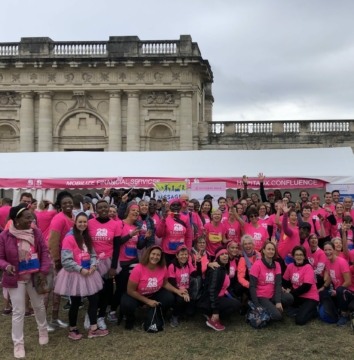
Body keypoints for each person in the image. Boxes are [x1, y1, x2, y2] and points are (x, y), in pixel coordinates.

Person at [0, 203, 51, 359]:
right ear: (16, 220)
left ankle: (42, 331)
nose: (32, 219)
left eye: (32, 217)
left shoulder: (36, 232)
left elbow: (45, 252)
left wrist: (43, 271)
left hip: (35, 277)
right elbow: (0, 258)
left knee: (39, 306)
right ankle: (18, 343)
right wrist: (6, 266)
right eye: (28, 217)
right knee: (18, 312)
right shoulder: (5, 236)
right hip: (16, 278)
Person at [54, 213, 108, 339]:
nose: (83, 224)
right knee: (76, 302)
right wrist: (80, 269)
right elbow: (66, 261)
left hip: (88, 273)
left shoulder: (86, 237)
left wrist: (94, 265)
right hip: (75, 275)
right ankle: (73, 329)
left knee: (94, 299)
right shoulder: (69, 238)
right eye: (80, 222)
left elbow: (93, 254)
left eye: (85, 222)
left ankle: (93, 328)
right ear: (75, 222)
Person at [120, 245, 186, 330]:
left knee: (169, 298)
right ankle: (130, 319)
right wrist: (148, 301)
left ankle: (157, 315)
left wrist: (177, 291)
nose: (155, 257)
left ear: (161, 257)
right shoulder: (138, 268)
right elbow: (130, 290)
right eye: (153, 254)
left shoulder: (163, 267)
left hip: (154, 293)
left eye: (158, 255)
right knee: (127, 303)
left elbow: (165, 283)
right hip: (138, 295)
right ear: (148, 254)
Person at [110, 203, 153, 322]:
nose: (136, 212)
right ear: (128, 211)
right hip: (122, 262)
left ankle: (125, 310)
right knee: (121, 288)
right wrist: (129, 235)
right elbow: (116, 243)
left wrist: (146, 239)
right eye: (133, 210)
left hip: (134, 261)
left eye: (137, 211)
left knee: (133, 287)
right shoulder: (120, 224)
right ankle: (113, 310)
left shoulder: (135, 227)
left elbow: (139, 246)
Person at [88, 199, 122, 330]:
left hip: (108, 261)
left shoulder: (115, 225)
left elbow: (117, 247)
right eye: (100, 207)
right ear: (96, 210)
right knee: (93, 290)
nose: (103, 209)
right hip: (92, 262)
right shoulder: (90, 223)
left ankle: (101, 316)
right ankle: (90, 314)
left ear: (109, 209)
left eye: (105, 207)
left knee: (106, 291)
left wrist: (113, 267)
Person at [47, 191, 75, 330]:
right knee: (49, 291)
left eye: (70, 202)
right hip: (55, 259)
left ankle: (54, 318)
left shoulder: (73, 216)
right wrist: (57, 260)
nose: (68, 205)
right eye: (65, 203)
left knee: (58, 291)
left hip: (65, 258)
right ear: (60, 205)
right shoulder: (59, 218)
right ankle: (45, 321)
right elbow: (53, 241)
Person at [198, 246, 241, 331]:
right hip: (209, 300)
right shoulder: (216, 270)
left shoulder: (223, 268)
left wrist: (234, 298)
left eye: (226, 254)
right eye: (222, 255)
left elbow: (225, 288)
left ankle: (212, 313)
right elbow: (212, 290)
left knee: (237, 302)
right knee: (236, 305)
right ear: (217, 257)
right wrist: (215, 311)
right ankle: (213, 318)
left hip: (219, 296)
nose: (225, 256)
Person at [249, 241, 294, 321]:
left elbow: (278, 284)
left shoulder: (277, 264)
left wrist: (278, 301)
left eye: (273, 249)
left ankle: (270, 307)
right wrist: (256, 304)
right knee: (277, 317)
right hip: (261, 296)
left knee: (289, 298)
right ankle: (256, 310)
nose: (271, 251)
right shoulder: (257, 265)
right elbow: (252, 286)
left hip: (272, 295)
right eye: (269, 249)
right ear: (263, 250)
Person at [282, 246, 319, 325]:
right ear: (293, 256)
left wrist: (291, 293)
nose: (299, 257)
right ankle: (299, 308)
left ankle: (314, 311)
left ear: (304, 256)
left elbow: (306, 287)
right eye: (297, 255)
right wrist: (284, 289)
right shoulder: (290, 266)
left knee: (300, 321)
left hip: (310, 297)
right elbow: (285, 281)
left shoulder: (308, 267)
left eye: (301, 255)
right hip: (298, 296)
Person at [318, 241, 351, 326]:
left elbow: (348, 281)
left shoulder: (342, 262)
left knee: (340, 290)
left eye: (330, 249)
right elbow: (330, 276)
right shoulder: (328, 262)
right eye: (325, 250)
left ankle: (345, 315)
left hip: (348, 291)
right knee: (323, 293)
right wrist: (324, 286)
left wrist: (336, 291)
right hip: (338, 291)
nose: (327, 252)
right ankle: (331, 311)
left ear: (334, 250)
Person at [168, 245, 202, 327]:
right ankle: (174, 315)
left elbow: (196, 275)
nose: (184, 256)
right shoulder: (172, 266)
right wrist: (182, 292)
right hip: (176, 290)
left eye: (186, 254)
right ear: (177, 255)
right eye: (182, 254)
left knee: (191, 313)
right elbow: (172, 283)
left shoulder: (188, 264)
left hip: (187, 290)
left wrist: (199, 262)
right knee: (180, 300)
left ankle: (182, 312)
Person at [155, 198, 192, 266]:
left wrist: (188, 251)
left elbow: (189, 236)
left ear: (180, 207)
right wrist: (163, 220)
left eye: (177, 205)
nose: (175, 207)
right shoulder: (165, 217)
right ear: (169, 207)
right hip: (167, 252)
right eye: (173, 205)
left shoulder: (185, 218)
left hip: (181, 253)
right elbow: (158, 234)